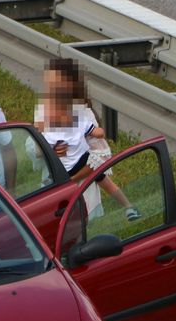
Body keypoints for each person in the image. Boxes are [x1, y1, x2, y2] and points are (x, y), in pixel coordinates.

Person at [35, 58, 139, 220]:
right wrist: (51, 150)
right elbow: (35, 147)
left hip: (82, 187)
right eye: (49, 84)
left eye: (56, 84)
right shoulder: (44, 112)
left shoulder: (82, 115)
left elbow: (100, 158)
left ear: (70, 86)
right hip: (54, 186)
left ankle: (128, 207)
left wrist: (71, 179)